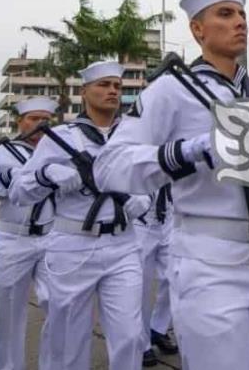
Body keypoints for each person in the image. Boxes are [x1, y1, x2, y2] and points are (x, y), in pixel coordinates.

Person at [94, 0, 249, 369]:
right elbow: (110, 167)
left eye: (242, 14)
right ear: (198, 30)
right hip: (209, 262)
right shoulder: (171, 91)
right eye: (226, 14)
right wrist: (193, 150)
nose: (240, 22)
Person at [10, 61, 151, 370]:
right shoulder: (60, 137)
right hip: (72, 245)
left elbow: (150, 177)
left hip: (123, 244)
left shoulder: (133, 135)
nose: (113, 90)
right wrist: (47, 174)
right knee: (67, 339)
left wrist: (143, 197)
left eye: (117, 85)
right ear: (84, 92)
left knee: (130, 335)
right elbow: (19, 190)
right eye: (104, 85)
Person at [0, 97, 57, 370]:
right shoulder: (0, 154)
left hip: (52, 238)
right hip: (14, 239)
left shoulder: (59, 151)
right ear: (21, 122)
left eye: (46, 120)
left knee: (59, 305)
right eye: (33, 118)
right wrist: (15, 179)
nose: (40, 125)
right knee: (10, 312)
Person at [136, 182, 179, 367]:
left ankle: (158, 328)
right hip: (141, 220)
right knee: (140, 288)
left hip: (169, 216)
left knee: (176, 277)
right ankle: (142, 341)